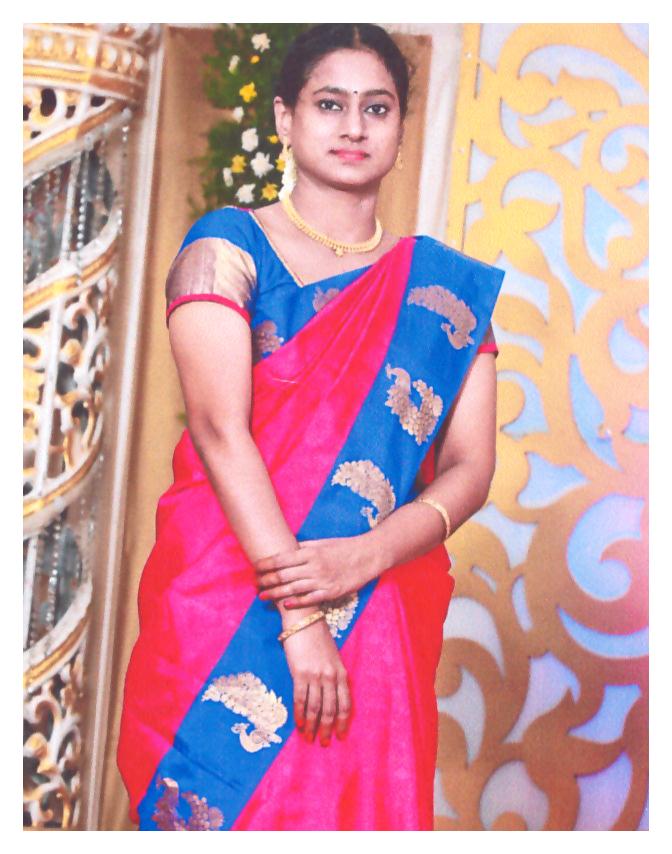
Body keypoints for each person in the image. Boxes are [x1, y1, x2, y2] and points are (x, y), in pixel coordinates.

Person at [117, 23, 504, 831]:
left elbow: (470, 467)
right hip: (229, 598)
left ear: (401, 126)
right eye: (330, 104)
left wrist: (366, 556)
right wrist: (300, 620)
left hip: (377, 606)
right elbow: (220, 432)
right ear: (286, 119)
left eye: (377, 107)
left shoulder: (442, 291)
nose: (354, 126)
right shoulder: (227, 248)